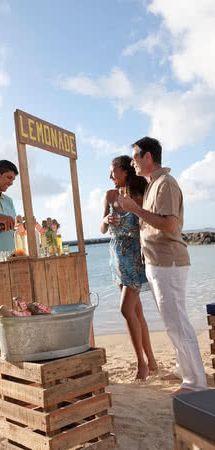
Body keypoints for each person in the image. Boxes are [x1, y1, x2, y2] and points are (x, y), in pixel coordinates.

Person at [118, 137, 207, 395]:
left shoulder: (165, 184)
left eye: (135, 156)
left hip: (168, 262)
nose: (132, 161)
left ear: (148, 157)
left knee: (177, 322)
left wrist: (134, 209)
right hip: (158, 263)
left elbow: (168, 224)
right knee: (172, 321)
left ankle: (195, 383)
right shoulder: (153, 185)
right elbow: (152, 224)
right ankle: (184, 369)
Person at [101, 155, 157, 380]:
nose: (110, 176)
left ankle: (141, 364)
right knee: (136, 312)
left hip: (134, 258)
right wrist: (106, 219)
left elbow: (149, 222)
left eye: (113, 171)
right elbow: (102, 228)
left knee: (126, 310)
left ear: (125, 172)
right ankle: (152, 360)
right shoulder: (110, 195)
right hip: (116, 259)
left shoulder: (140, 196)